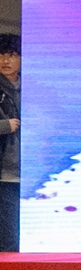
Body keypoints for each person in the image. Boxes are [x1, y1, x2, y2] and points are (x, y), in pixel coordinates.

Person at [0, 33, 18, 254]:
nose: (6, 60)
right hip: (5, 174)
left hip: (33, 173)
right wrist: (4, 126)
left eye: (12, 55)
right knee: (8, 238)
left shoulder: (36, 86)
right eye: (2, 55)